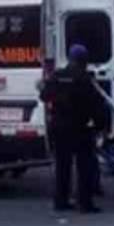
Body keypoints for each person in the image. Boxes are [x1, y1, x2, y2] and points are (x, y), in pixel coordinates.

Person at [41, 44, 109, 213]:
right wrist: (101, 125)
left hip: (59, 126)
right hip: (80, 127)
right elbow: (96, 105)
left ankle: (61, 200)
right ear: (84, 61)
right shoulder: (85, 79)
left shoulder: (58, 76)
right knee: (84, 166)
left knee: (62, 166)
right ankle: (84, 203)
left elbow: (44, 95)